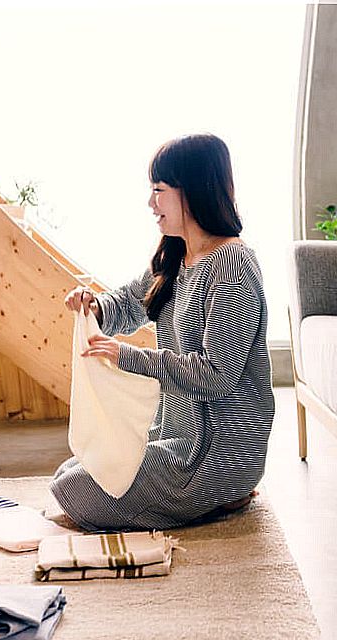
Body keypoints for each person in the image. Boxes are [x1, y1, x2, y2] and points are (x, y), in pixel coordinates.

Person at [51, 133, 275, 530]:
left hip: (219, 450)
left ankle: (225, 491)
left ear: (192, 192)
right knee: (75, 469)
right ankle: (208, 499)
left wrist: (127, 357)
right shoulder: (177, 253)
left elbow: (218, 374)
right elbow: (130, 302)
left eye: (159, 190)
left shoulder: (232, 266)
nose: (151, 203)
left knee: (78, 491)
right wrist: (94, 306)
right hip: (178, 432)